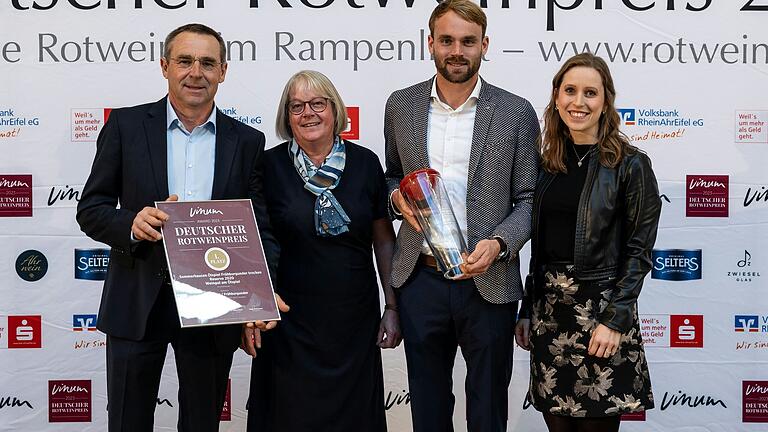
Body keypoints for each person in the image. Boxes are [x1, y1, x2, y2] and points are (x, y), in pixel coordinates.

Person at [76, 23, 284, 432]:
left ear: (223, 71)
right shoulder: (125, 126)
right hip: (136, 302)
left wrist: (261, 298)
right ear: (165, 66)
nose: (196, 72)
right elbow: (91, 209)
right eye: (185, 61)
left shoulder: (247, 141)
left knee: (202, 422)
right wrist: (131, 223)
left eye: (208, 63)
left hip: (213, 306)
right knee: (127, 421)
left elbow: (260, 228)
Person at [384, 0, 540, 430]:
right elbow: (391, 177)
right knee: (428, 408)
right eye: (447, 40)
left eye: (468, 41)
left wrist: (499, 244)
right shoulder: (401, 105)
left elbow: (529, 200)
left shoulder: (515, 111)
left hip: (489, 282)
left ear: (484, 45)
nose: (457, 50)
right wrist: (396, 198)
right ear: (430, 42)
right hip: (420, 277)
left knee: (488, 407)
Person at [246, 70, 401, 432]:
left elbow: (383, 239)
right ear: (286, 116)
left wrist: (393, 306)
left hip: (353, 321)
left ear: (335, 110)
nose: (308, 113)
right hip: (286, 322)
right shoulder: (268, 166)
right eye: (296, 106)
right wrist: (251, 307)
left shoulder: (366, 164)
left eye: (318, 103)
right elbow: (251, 241)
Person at [514, 52, 660, 432]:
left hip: (601, 317)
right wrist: (527, 309)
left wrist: (615, 320)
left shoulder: (631, 165)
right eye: (570, 91)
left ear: (606, 100)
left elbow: (639, 252)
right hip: (550, 318)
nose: (579, 102)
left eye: (590, 92)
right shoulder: (546, 164)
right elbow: (541, 248)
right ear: (557, 97)